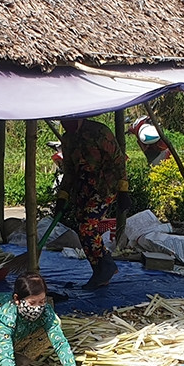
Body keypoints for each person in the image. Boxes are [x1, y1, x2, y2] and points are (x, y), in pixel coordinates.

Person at [58, 117, 130, 289]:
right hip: (83, 189)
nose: (64, 124)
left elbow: (119, 161)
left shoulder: (100, 132)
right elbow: (68, 170)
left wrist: (123, 190)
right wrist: (63, 196)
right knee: (83, 231)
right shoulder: (68, 139)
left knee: (87, 228)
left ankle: (106, 266)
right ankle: (99, 270)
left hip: (104, 186)